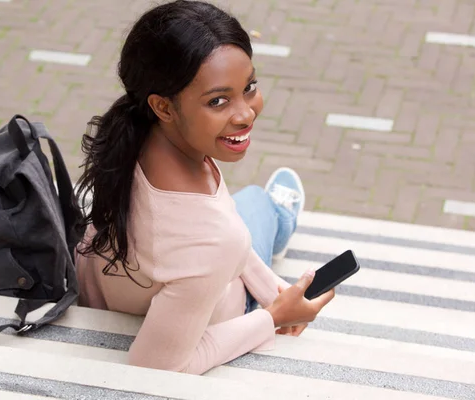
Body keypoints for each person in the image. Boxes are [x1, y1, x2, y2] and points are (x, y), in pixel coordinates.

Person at [75, 0, 335, 375]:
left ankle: (273, 215)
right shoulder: (214, 242)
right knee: (256, 206)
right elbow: (158, 368)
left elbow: (210, 243)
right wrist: (273, 316)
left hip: (114, 292)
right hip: (216, 306)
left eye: (249, 87)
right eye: (218, 100)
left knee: (240, 219)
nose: (246, 113)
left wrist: (273, 290)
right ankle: (280, 215)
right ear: (163, 107)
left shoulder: (138, 131)